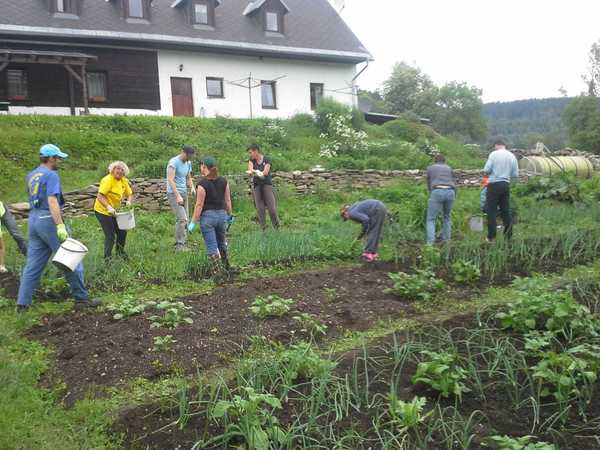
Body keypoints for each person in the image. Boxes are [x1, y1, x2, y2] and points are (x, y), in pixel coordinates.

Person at [16, 144, 100, 314]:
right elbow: (52, 201)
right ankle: (81, 298)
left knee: (32, 265)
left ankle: (22, 305)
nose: (60, 161)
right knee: (71, 257)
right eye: (58, 158)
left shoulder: (31, 175)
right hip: (49, 219)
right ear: (51, 158)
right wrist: (60, 225)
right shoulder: (51, 175)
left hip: (33, 220)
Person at [187, 157, 234, 270]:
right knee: (221, 243)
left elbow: (199, 206)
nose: (200, 168)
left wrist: (192, 223)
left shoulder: (202, 184)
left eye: (201, 166)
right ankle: (227, 268)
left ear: (204, 167)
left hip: (208, 219)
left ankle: (217, 273)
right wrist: (230, 216)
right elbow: (227, 200)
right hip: (222, 216)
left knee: (212, 247)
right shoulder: (224, 181)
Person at [94, 161, 134, 259]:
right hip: (103, 211)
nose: (119, 171)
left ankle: (120, 253)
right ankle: (107, 259)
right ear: (112, 170)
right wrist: (108, 207)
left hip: (115, 211)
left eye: (122, 170)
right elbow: (100, 195)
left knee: (122, 232)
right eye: (117, 168)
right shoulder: (107, 180)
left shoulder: (123, 180)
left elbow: (129, 194)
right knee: (110, 236)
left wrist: (128, 201)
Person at [483, 140, 519, 242]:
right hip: (505, 184)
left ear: (496, 145)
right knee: (506, 210)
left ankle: (491, 237)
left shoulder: (493, 154)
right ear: (504, 145)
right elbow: (515, 174)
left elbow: (487, 169)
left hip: (494, 184)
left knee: (491, 211)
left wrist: (490, 174)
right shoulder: (512, 156)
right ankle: (508, 236)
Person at [166, 145, 195, 251]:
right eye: (188, 155)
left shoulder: (188, 163)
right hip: (174, 194)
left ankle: (184, 242)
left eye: (191, 156)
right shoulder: (173, 163)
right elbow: (170, 179)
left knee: (186, 219)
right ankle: (180, 245)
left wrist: (192, 187)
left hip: (184, 192)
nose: (189, 158)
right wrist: (177, 195)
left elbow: (188, 177)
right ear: (182, 152)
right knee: (182, 219)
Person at [247, 144, 280, 229]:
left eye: (251, 152)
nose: (250, 154)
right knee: (260, 209)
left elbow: (265, 172)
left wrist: (256, 172)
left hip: (266, 185)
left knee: (272, 209)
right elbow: (250, 170)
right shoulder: (251, 160)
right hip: (257, 186)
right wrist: (255, 172)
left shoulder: (266, 159)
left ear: (256, 151)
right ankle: (263, 229)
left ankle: (277, 228)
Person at [425, 154, 456, 243]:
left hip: (437, 190)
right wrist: (455, 195)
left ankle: (430, 244)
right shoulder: (449, 168)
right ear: (444, 161)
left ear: (435, 160)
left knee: (431, 219)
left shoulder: (430, 168)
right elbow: (454, 182)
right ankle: (447, 242)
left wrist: (431, 192)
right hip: (451, 191)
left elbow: (428, 182)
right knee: (447, 217)